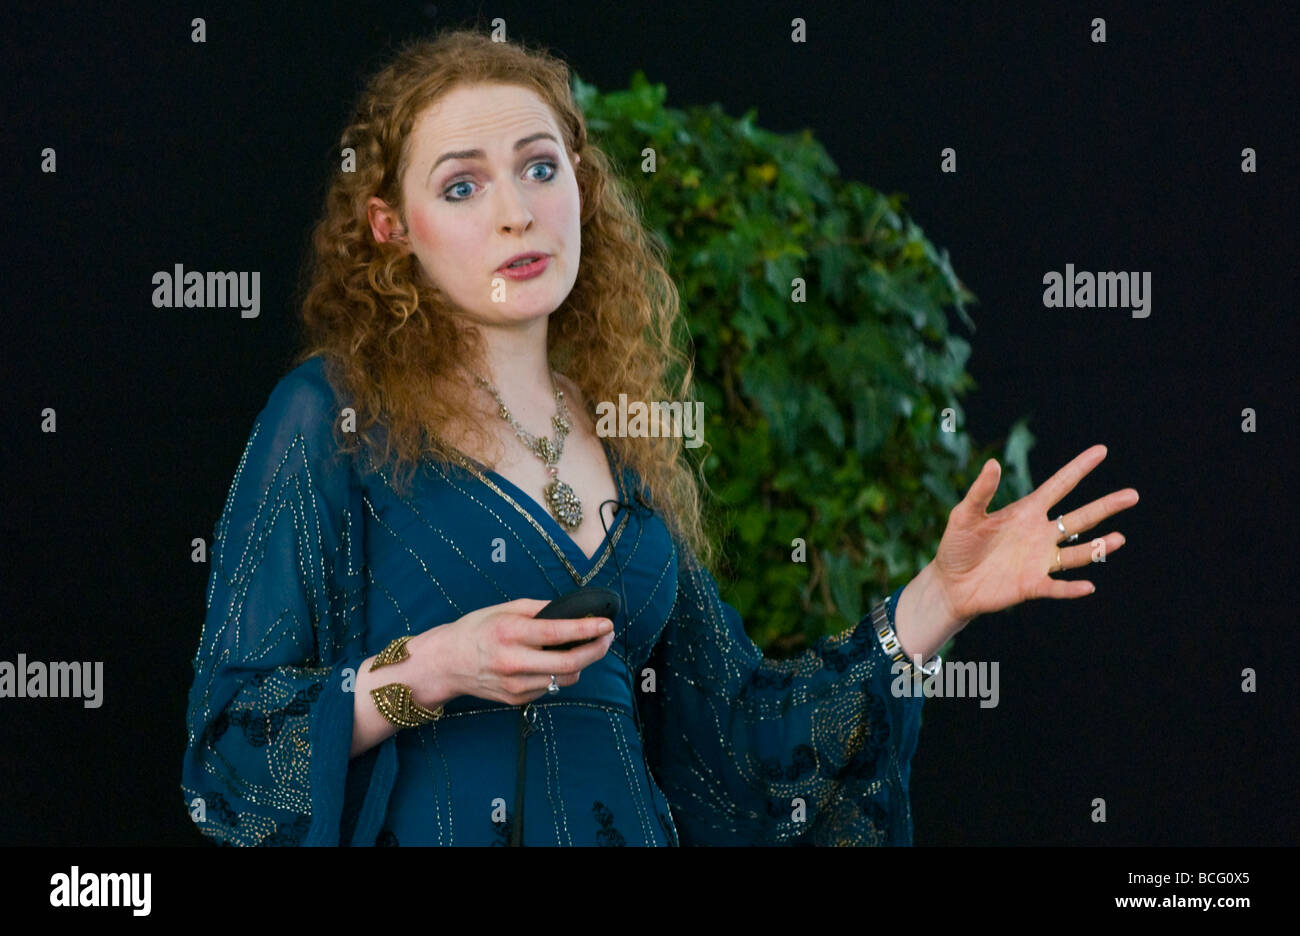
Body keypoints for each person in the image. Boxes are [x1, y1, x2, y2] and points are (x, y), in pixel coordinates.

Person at [180, 28, 1139, 846]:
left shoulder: (622, 439)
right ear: (393, 229)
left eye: (540, 167)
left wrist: (939, 600)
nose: (516, 209)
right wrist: (428, 671)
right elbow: (230, 751)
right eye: (463, 187)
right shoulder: (333, 413)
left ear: (582, 193)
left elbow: (747, 745)